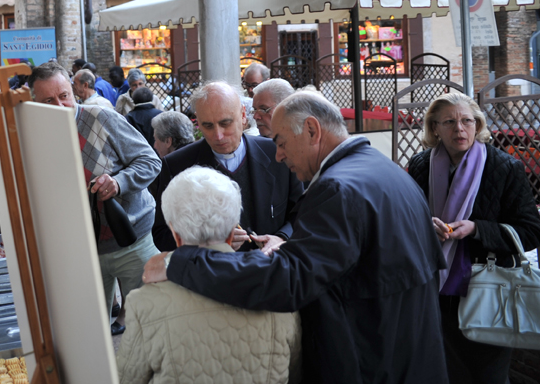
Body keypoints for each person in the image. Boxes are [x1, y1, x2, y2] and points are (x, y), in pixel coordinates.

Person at [142, 91, 449, 384]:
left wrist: (182, 262)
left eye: (281, 142)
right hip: (411, 356)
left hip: (371, 361)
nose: (278, 155)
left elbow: (288, 281)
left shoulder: (336, 190)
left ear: (312, 130)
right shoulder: (384, 169)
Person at [0, 62, 162, 323]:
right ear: (35, 103)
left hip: (133, 237)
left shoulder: (102, 117)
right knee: (88, 329)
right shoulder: (32, 136)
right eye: (48, 100)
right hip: (82, 249)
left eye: (64, 96)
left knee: (148, 322)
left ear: (73, 91)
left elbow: (150, 161)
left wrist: (120, 181)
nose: (59, 105)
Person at [116, 167, 301, 384]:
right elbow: (295, 371)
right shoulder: (280, 293)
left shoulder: (143, 304)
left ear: (175, 234)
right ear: (233, 233)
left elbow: (126, 378)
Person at [407, 92, 540, 384]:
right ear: (434, 128)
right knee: (442, 371)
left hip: (487, 290)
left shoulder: (504, 168)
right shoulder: (420, 165)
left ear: (477, 124)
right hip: (435, 289)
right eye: (450, 122)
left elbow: (531, 231)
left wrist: (477, 229)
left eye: (467, 121)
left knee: (487, 374)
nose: (460, 129)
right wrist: (423, 223)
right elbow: (404, 219)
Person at [150, 81, 302, 255]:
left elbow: (301, 212)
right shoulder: (176, 165)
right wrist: (211, 243)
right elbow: (162, 235)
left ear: (243, 116)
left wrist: (282, 237)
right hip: (212, 276)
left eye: (225, 123)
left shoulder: (278, 154)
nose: (218, 135)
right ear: (197, 121)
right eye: (208, 126)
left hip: (272, 269)